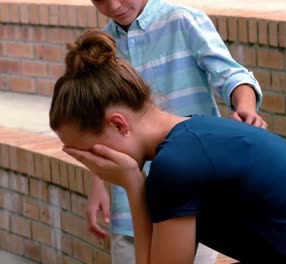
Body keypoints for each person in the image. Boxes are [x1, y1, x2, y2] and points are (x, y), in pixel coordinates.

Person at [50, 29, 286, 264]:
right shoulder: (192, 136)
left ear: (119, 124)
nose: (90, 163)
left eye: (89, 151)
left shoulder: (176, 166)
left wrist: (133, 185)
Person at [88, 0, 266, 263]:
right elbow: (99, 124)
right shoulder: (103, 48)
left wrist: (246, 107)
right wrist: (97, 183)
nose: (114, 6)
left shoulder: (184, 20)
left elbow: (232, 76)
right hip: (129, 210)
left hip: (195, 203)